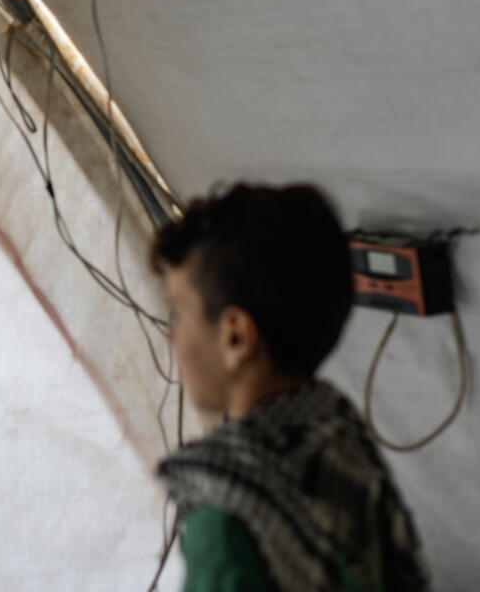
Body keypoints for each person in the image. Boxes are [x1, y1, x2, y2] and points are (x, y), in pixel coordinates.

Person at [152, 183, 429, 592]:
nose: (170, 336)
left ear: (235, 338)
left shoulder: (225, 511)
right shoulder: (339, 434)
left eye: (178, 312)